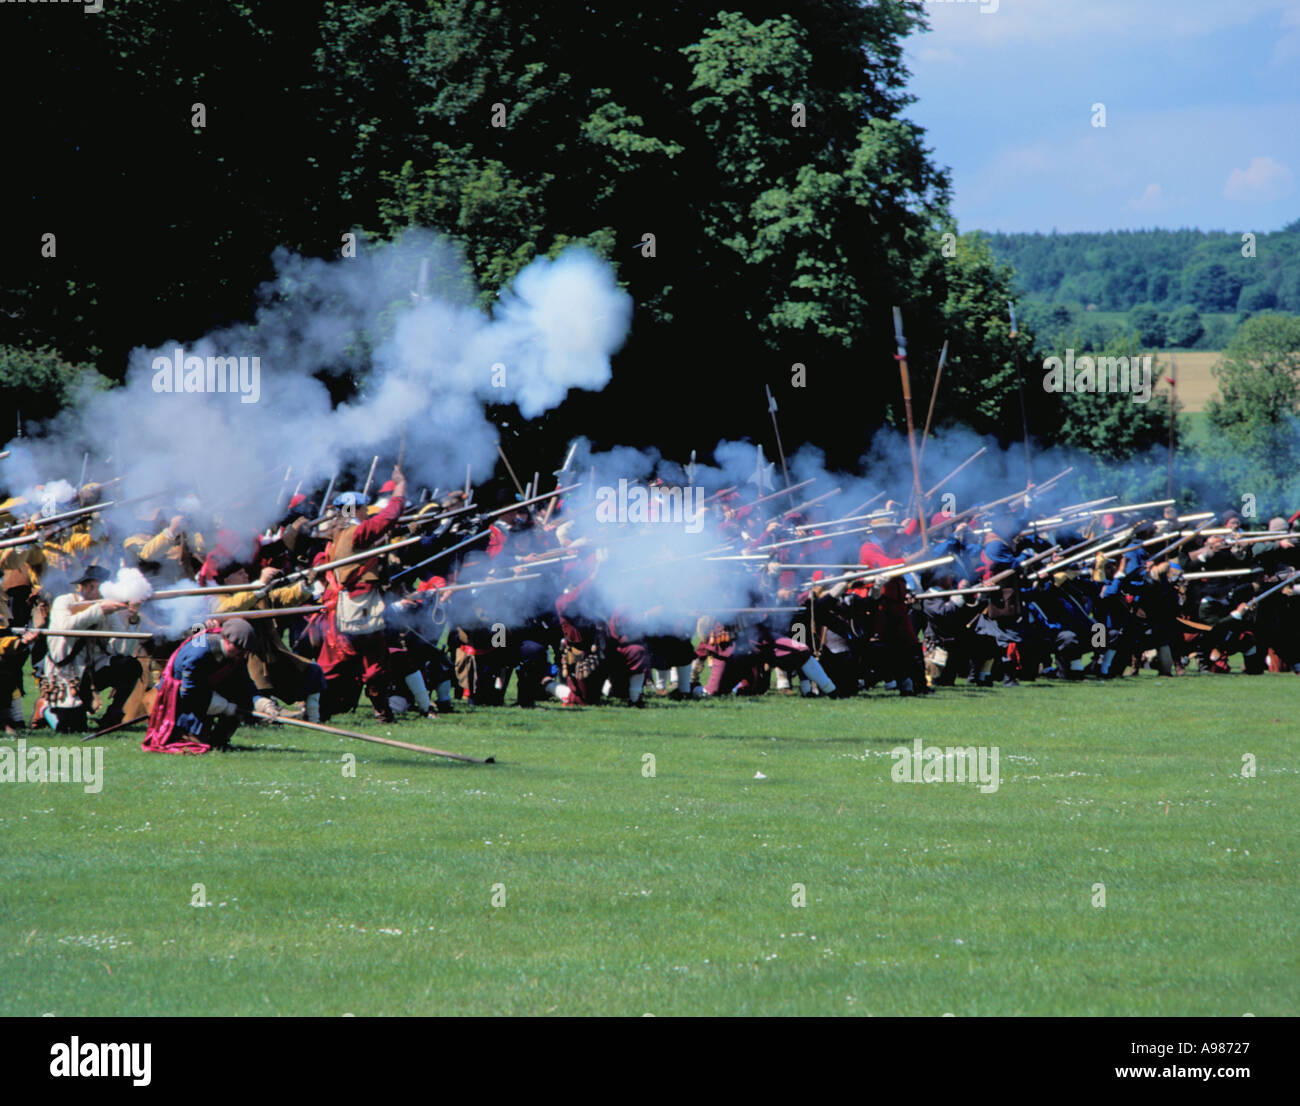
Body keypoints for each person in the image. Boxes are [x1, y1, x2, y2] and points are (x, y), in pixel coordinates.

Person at [143, 617, 281, 753]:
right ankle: (187, 735)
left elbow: (244, 683)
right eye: (238, 647)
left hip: (206, 689)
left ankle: (219, 740)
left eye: (244, 650)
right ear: (226, 639)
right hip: (179, 696)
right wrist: (224, 706)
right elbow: (189, 692)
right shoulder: (198, 652)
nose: (241, 653)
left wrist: (261, 702)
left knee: (240, 700)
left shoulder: (237, 655)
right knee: (195, 743)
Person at [39, 565, 144, 732]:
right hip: (67, 673)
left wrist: (132, 618)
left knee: (129, 665)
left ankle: (114, 713)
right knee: (70, 728)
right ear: (87, 586)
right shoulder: (65, 601)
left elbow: (122, 649)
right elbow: (65, 627)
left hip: (94, 670)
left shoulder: (106, 607)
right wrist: (99, 610)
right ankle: (45, 710)